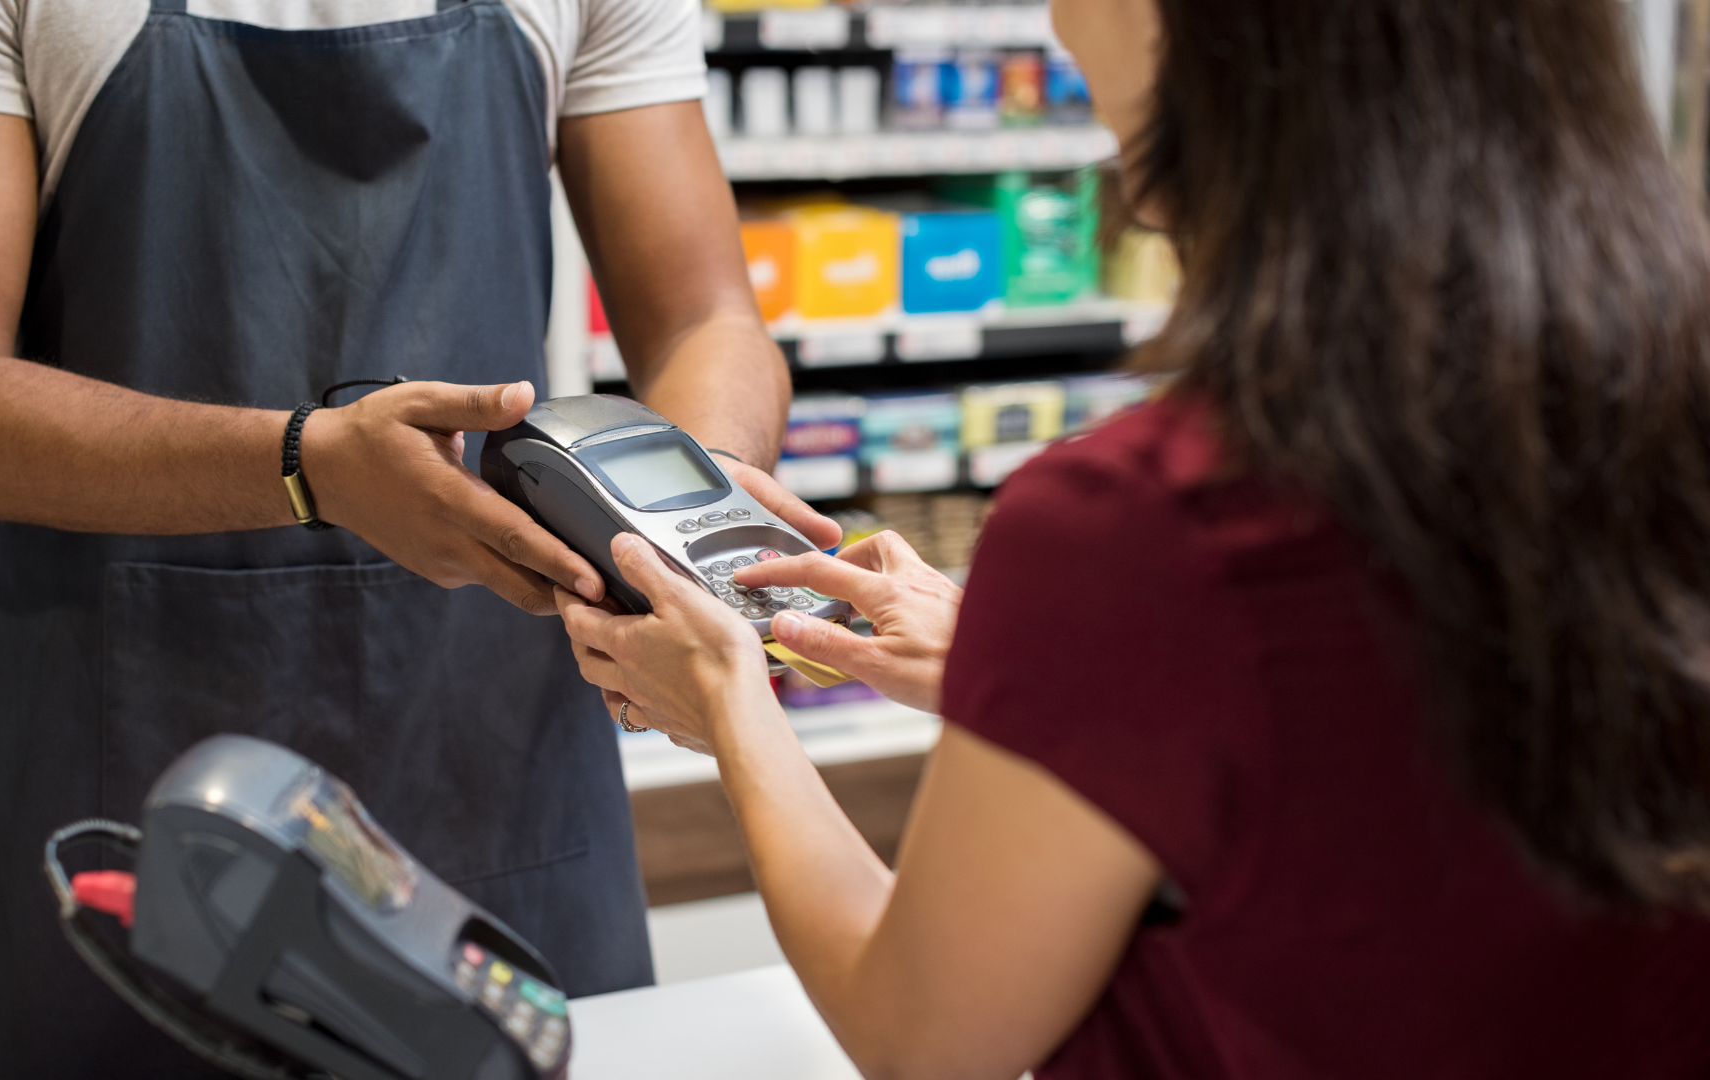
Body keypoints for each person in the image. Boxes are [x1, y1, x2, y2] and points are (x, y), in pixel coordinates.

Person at [558, 0, 1710, 1076]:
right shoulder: (1658, 398)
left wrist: (733, 704)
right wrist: (1035, 684)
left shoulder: (1135, 525)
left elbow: (924, 1036)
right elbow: (1389, 748)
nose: (1059, 18)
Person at [0, 0, 839, 1076]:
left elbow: (705, 318)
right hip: (134, 755)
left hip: (497, 748)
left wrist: (690, 494)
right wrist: (306, 464)